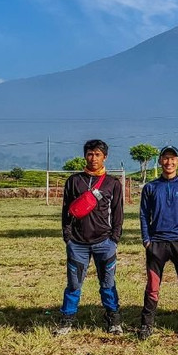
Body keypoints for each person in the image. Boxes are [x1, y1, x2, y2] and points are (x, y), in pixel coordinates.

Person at [57, 139, 123, 335]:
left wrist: (114, 238)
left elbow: (118, 213)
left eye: (97, 154)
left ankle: (113, 320)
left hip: (105, 243)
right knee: (74, 284)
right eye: (90, 154)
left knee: (108, 284)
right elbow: (66, 212)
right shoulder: (74, 181)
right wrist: (67, 237)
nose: (93, 158)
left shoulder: (113, 183)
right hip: (77, 243)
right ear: (85, 156)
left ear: (105, 157)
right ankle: (67, 320)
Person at [138, 146, 178, 339]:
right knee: (152, 287)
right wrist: (147, 240)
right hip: (156, 243)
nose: (169, 162)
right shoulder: (150, 187)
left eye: (173, 159)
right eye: (165, 158)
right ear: (160, 161)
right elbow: (143, 215)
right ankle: (147, 325)